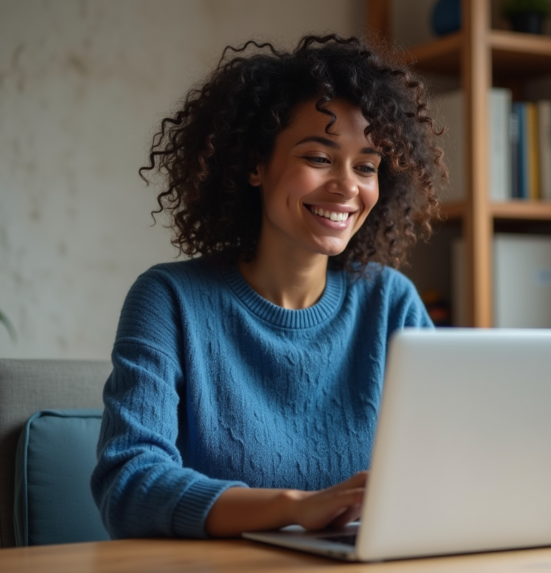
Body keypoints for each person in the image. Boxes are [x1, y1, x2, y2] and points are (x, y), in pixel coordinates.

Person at [90, 34, 445, 540]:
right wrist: (296, 507)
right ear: (254, 164)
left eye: (366, 166)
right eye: (319, 158)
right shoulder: (169, 300)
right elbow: (128, 484)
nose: (348, 187)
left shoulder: (391, 303)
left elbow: (450, 466)